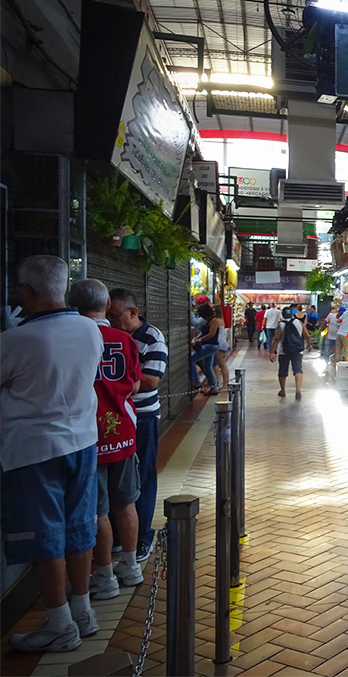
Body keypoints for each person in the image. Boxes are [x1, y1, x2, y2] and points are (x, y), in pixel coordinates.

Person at [0, 256, 103, 652]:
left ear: (26, 292)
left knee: (44, 537)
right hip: (83, 442)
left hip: (35, 451)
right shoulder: (91, 331)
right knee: (79, 529)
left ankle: (59, 623)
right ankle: (82, 612)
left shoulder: (16, 340)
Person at [69, 280, 144, 600]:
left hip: (89, 435)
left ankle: (104, 576)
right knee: (125, 502)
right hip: (124, 430)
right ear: (108, 307)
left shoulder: (72, 339)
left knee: (98, 511)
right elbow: (137, 386)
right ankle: (131, 565)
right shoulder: (125, 339)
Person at [108, 288, 168, 563]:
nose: (110, 320)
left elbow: (152, 379)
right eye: (107, 314)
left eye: (115, 314)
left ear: (133, 313)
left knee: (143, 477)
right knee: (116, 480)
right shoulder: (108, 337)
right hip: (114, 417)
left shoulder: (152, 338)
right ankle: (120, 538)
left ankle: (143, 538)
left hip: (142, 417)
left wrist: (114, 382)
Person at [270, 307, 312, 400]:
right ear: (292, 314)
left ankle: (283, 390)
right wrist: (309, 345)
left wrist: (272, 352)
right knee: (298, 370)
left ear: (283, 315)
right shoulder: (299, 323)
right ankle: (298, 390)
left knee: (282, 371)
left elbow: (276, 339)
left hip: (283, 351)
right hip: (297, 350)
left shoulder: (280, 324)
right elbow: (307, 336)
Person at [189, 303, 221, 395]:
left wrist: (199, 339)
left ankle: (196, 380)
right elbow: (203, 332)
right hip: (209, 346)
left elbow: (211, 334)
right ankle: (213, 387)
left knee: (192, 359)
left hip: (211, 346)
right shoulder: (208, 320)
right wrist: (197, 338)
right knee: (208, 366)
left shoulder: (214, 321)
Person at [213, 304, 230, 390]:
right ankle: (220, 384)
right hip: (222, 343)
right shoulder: (221, 320)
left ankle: (225, 385)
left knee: (222, 365)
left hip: (220, 344)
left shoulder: (216, 321)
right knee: (219, 365)